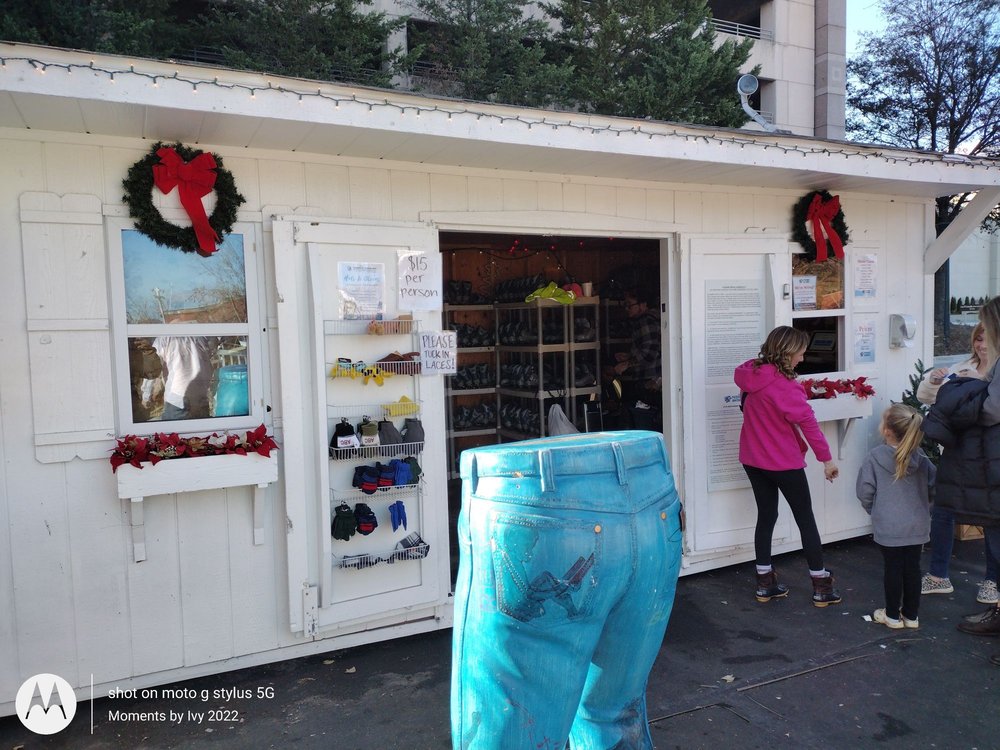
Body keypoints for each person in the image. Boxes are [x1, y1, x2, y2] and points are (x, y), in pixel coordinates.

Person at [735, 326, 842, 606]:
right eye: (800, 352)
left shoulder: (750, 375)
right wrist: (827, 460)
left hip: (753, 460)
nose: (803, 358)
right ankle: (821, 585)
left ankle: (764, 582)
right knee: (805, 519)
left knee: (766, 517)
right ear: (788, 352)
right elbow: (810, 427)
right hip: (783, 462)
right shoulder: (786, 387)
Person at [924, 297, 1000, 663]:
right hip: (981, 467)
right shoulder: (973, 366)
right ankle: (995, 612)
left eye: (987, 333)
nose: (980, 343)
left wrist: (965, 390)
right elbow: (931, 396)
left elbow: (990, 410)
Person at [916, 322, 998, 604]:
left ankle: (992, 582)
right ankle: (938, 576)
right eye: (977, 339)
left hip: (990, 454)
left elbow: (990, 408)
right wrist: (935, 381)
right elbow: (925, 397)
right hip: (958, 450)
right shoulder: (963, 364)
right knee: (944, 509)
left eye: (987, 339)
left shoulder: (996, 370)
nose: (981, 345)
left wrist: (975, 382)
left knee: (992, 515)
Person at [856, 403, 935, 630]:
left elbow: (865, 491)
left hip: (888, 524)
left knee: (893, 568)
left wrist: (876, 510)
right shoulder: (922, 459)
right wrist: (924, 508)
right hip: (917, 524)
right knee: (913, 568)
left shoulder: (875, 457)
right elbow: (935, 488)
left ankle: (892, 616)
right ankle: (911, 616)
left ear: (887, 430)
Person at [613, 289, 661, 427]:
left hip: (649, 381)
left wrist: (627, 364)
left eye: (630, 304)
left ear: (643, 304)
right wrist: (629, 356)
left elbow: (649, 353)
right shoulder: (654, 319)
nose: (627, 309)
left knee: (642, 420)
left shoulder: (645, 321)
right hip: (654, 379)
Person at [152, 335, 217, 421]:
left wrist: (146, 395)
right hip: (201, 396)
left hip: (177, 398)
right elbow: (208, 363)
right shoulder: (200, 336)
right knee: (201, 432)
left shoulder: (164, 338)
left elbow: (152, 367)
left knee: (174, 433)